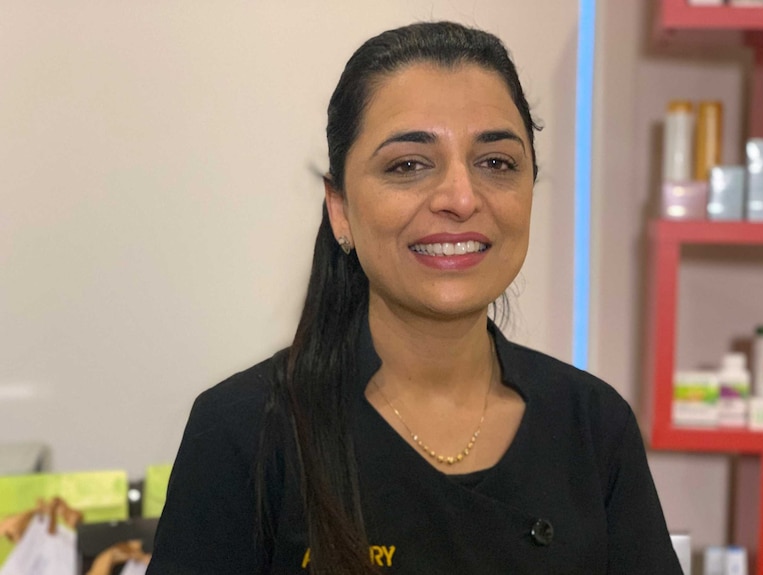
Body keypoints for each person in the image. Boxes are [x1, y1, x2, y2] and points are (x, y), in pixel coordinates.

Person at [147, 21, 684, 575]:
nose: (460, 197)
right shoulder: (244, 430)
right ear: (341, 209)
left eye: (496, 163)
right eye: (408, 165)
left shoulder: (592, 426)